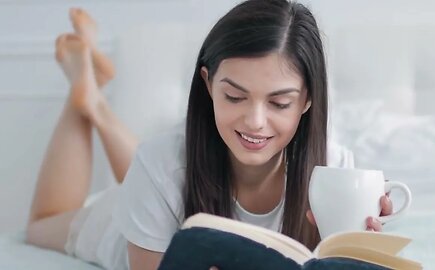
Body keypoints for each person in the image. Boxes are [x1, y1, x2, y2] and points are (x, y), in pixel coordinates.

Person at [26, 1, 393, 270]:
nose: (255, 121)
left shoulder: (333, 167)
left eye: (280, 103)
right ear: (208, 84)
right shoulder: (159, 166)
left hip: (166, 185)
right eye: (234, 97)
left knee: (163, 171)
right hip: (123, 226)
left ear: (308, 99)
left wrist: (357, 247)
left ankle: (94, 99)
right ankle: (84, 98)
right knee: (39, 226)